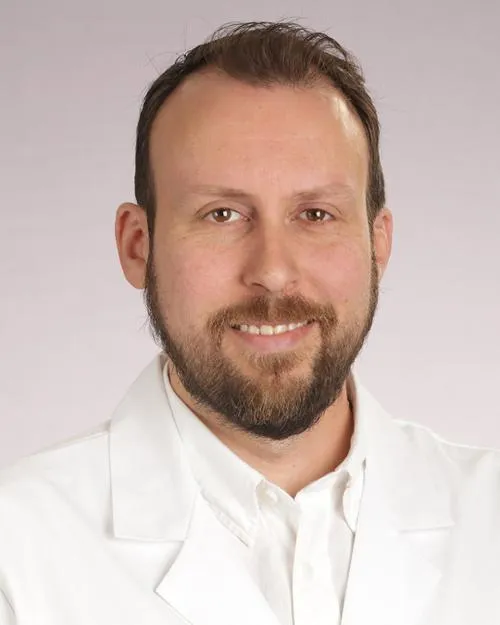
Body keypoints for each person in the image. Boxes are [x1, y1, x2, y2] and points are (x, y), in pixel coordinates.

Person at [0, 20, 499, 625]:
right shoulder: (17, 552)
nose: (273, 272)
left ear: (378, 244)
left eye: (316, 214)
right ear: (137, 245)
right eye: (222, 214)